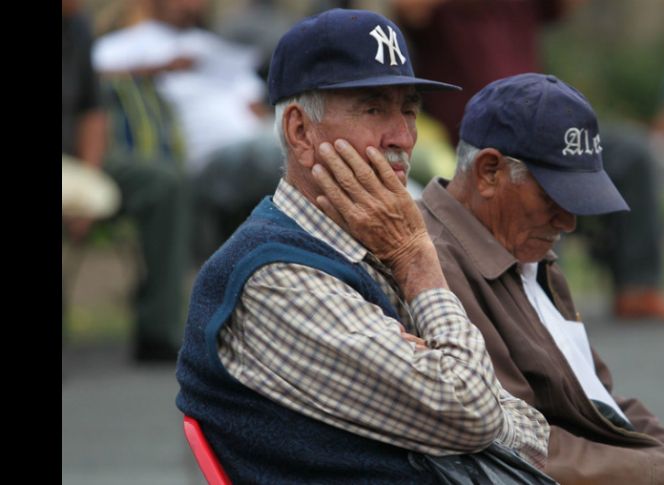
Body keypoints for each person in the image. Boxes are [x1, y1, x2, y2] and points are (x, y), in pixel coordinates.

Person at [176, 9, 550, 484]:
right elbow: (474, 410)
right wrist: (417, 260)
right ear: (300, 132)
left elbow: (534, 436)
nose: (403, 138)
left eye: (409, 109)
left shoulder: (364, 245)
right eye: (374, 109)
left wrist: (459, 392)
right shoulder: (275, 278)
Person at [418, 73, 664, 484]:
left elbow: (599, 401)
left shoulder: (530, 256)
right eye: (554, 197)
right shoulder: (433, 267)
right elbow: (512, 440)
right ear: (489, 172)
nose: (569, 222)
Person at [396, 0, 664, 322]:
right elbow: (409, 9)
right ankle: (541, 303)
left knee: (633, 153)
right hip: (469, 137)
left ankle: (638, 286)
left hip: (545, 127)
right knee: (535, 189)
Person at [92, 0, 285, 263]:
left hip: (255, 142)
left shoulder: (211, 45)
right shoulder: (127, 44)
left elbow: (252, 94)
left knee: (304, 142)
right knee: (285, 151)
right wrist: (161, 68)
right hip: (203, 158)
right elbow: (89, 80)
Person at [63, 0, 189, 362]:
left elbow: (91, 112)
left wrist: (86, 186)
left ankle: (158, 328)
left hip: (80, 159)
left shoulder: (77, 29)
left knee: (164, 183)